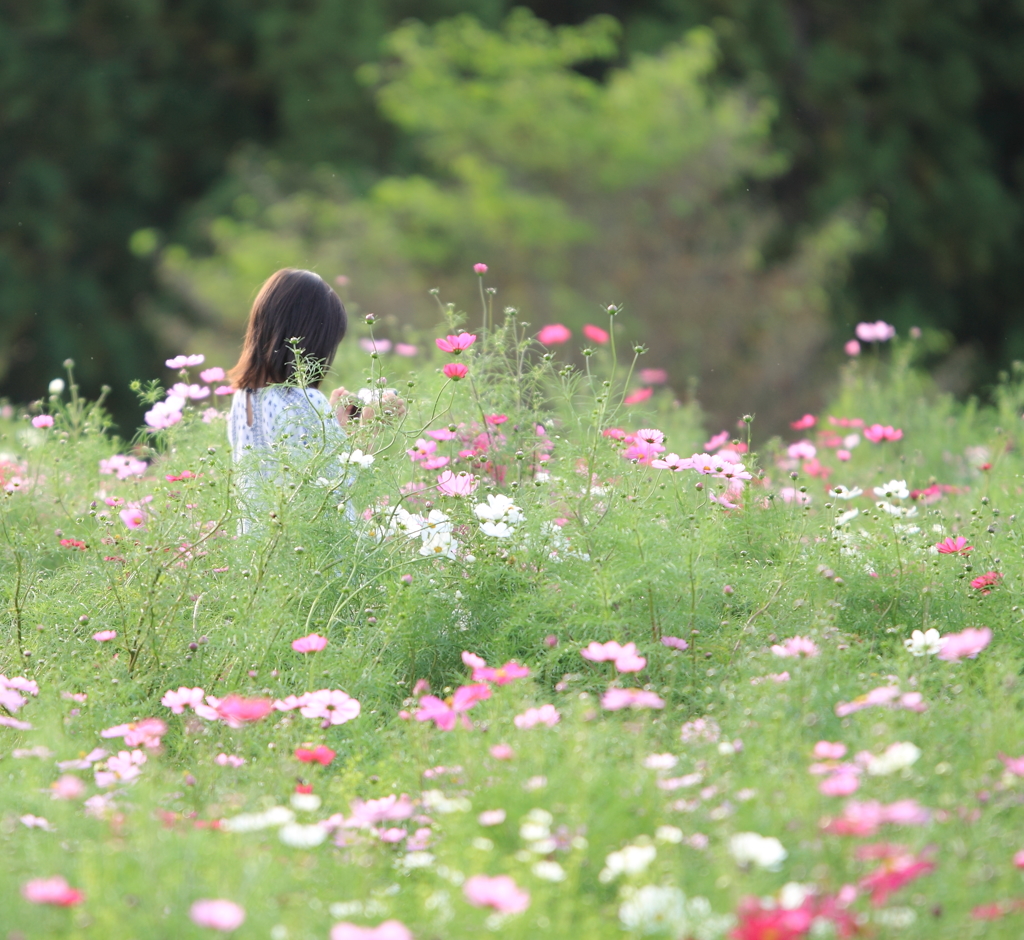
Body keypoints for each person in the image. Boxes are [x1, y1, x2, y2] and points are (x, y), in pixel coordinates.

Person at [225, 268, 402, 530]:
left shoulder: (244, 398)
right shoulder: (305, 400)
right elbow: (335, 490)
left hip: (261, 546)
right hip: (313, 551)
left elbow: (293, 469)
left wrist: (332, 425)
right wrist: (371, 426)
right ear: (312, 343)